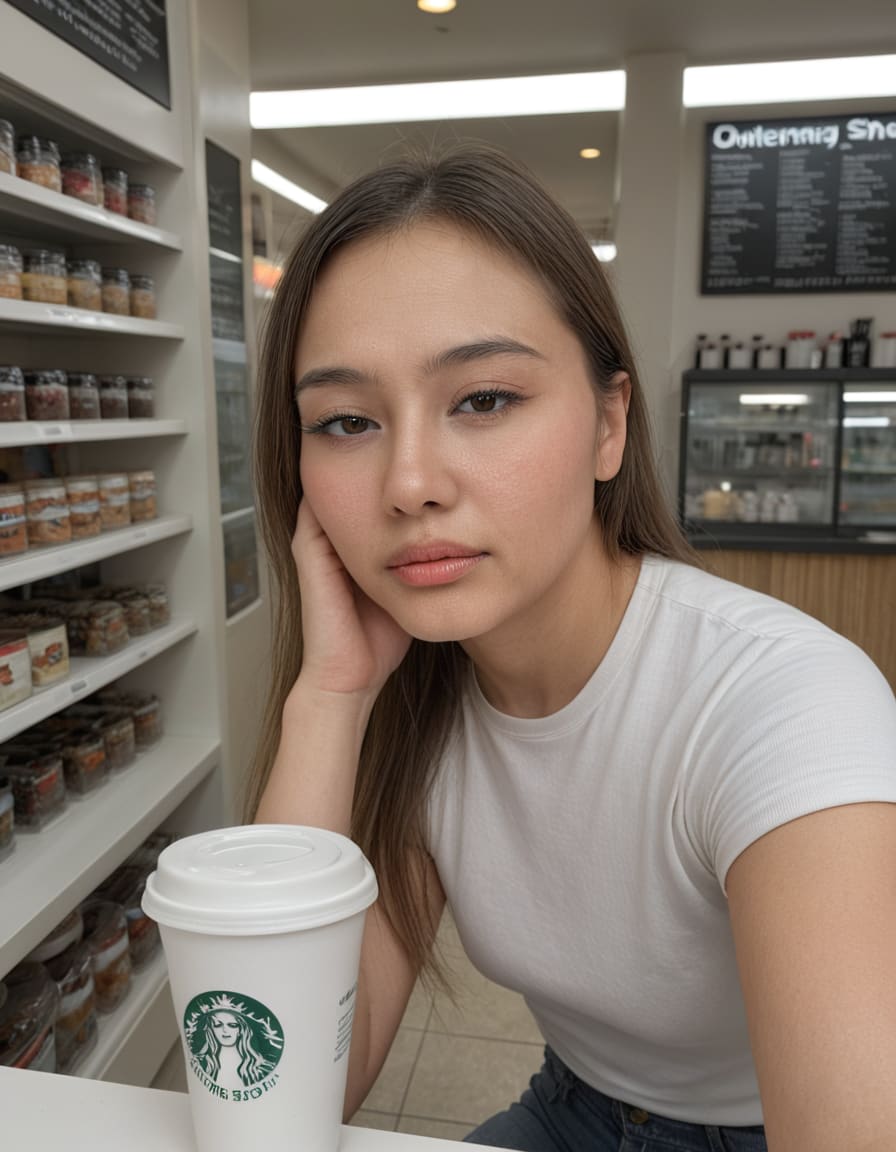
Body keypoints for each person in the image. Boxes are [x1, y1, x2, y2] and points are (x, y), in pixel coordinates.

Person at [247, 144, 896, 1152]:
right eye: (346, 420)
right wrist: (328, 696)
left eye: (482, 399)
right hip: (574, 1107)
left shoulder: (783, 705)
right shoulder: (418, 700)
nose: (408, 484)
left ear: (607, 424)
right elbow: (284, 1090)